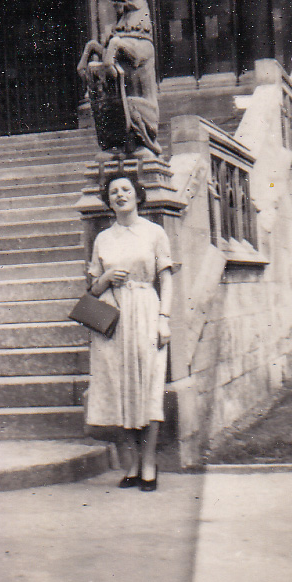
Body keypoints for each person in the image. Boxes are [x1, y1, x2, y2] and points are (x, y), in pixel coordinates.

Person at [86, 173, 173, 491]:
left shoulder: (154, 232)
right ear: (108, 201)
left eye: (126, 190)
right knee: (117, 387)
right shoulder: (103, 239)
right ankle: (133, 463)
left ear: (138, 195)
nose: (120, 195)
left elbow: (167, 279)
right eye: (113, 192)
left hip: (146, 312)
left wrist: (165, 318)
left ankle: (149, 463)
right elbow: (92, 290)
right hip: (112, 319)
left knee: (149, 387)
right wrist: (107, 277)